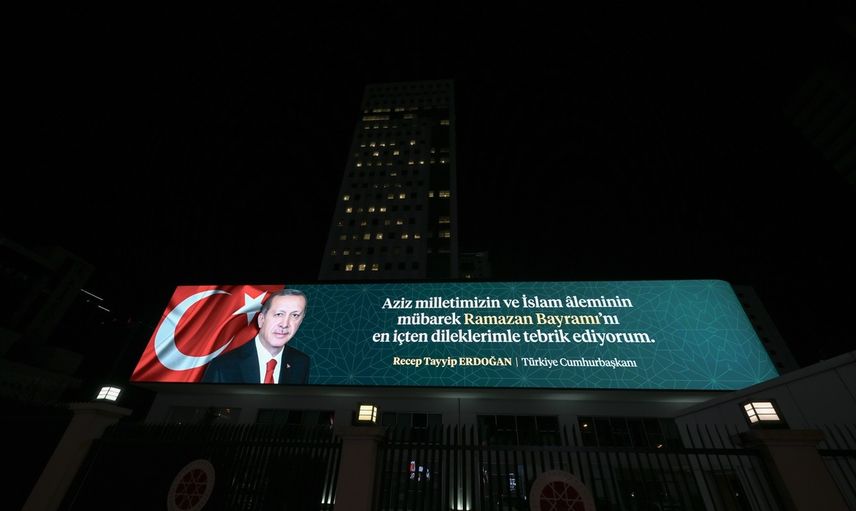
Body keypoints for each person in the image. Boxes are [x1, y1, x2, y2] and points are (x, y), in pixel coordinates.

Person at [201, 288, 310, 384]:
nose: (285, 324)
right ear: (261, 320)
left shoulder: (301, 363)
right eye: (279, 314)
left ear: (300, 322)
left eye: (295, 315)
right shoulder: (222, 366)